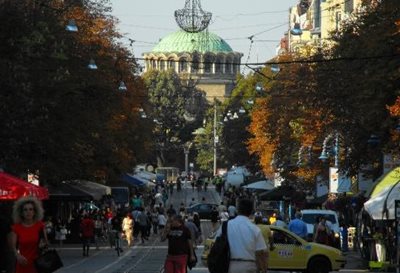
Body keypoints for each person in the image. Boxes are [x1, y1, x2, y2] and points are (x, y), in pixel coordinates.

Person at [216, 199, 268, 273]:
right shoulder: (255, 229)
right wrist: (263, 269)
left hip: (229, 265)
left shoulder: (226, 225)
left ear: (237, 210)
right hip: (249, 266)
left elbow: (216, 242)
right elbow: (261, 252)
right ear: (251, 212)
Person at [9, 196, 49, 273]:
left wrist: (43, 244)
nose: (28, 212)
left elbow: (46, 243)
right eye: (25, 210)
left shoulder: (40, 226)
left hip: (38, 264)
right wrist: (17, 255)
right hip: (22, 263)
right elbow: (13, 247)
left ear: (35, 212)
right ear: (21, 213)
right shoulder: (16, 228)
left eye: (31, 209)